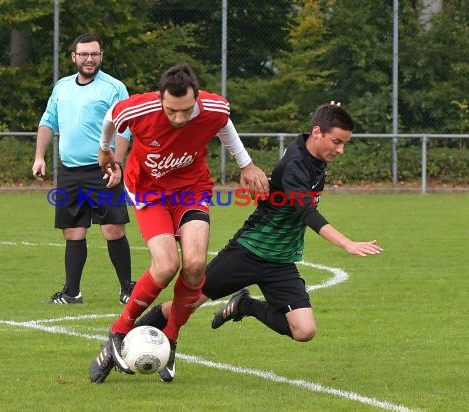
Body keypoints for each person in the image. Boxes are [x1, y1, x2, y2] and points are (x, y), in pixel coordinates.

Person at [105, 102, 384, 382]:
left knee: (304, 330)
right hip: (248, 251)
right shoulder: (297, 166)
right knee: (186, 304)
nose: (340, 150)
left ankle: (246, 305)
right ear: (316, 133)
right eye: (336, 142)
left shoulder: (313, 153)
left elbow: (319, 132)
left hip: (281, 261)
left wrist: (327, 108)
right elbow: (308, 213)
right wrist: (347, 243)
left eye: (344, 143)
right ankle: (122, 341)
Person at [89, 63, 269, 383]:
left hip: (191, 189)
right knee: (166, 265)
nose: (179, 118)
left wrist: (247, 164)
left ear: (196, 98)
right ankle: (118, 330)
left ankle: (170, 339)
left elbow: (224, 123)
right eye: (172, 111)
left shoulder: (212, 107)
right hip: (150, 191)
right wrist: (105, 151)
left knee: (196, 264)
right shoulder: (140, 108)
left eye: (186, 111)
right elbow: (111, 119)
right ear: (161, 99)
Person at [32, 33, 134, 305]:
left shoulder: (114, 87)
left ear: (101, 56)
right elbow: (47, 122)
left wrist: (118, 165)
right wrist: (39, 156)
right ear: (73, 57)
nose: (90, 59)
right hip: (70, 172)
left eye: (95, 54)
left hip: (103, 171)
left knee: (113, 230)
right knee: (73, 232)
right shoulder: (62, 87)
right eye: (84, 54)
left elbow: (125, 129)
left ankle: (128, 290)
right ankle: (72, 293)